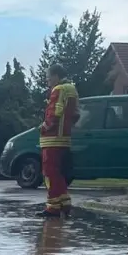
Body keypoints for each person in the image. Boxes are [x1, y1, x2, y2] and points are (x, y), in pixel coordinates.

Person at [37, 64, 79, 218]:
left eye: (48, 76)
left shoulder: (59, 89)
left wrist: (44, 127)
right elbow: (76, 114)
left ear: (56, 75)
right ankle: (65, 203)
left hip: (52, 138)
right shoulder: (72, 89)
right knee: (57, 172)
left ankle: (53, 207)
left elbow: (55, 112)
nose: (47, 80)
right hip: (64, 137)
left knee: (49, 173)